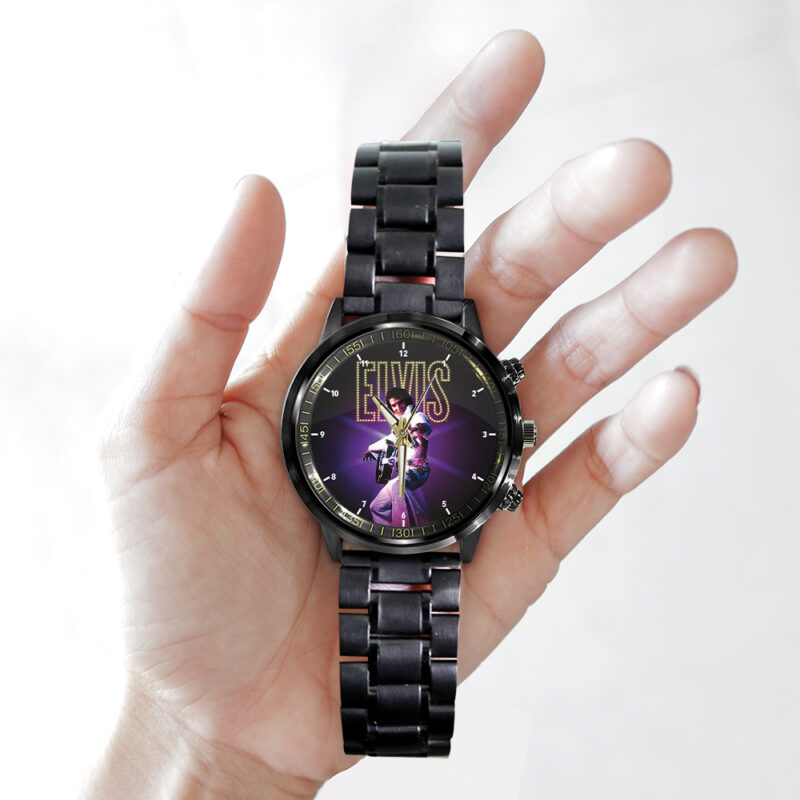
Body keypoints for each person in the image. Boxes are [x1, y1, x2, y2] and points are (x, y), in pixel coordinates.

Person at [82, 29, 737, 799]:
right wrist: (206, 745)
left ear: (511, 443)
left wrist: (212, 754)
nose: (398, 409)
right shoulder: (379, 432)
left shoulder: (413, 431)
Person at [361, 387, 432, 526]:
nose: (398, 407)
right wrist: (371, 449)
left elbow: (421, 430)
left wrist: (417, 430)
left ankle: (415, 527)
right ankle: (391, 532)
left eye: (400, 403)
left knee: (398, 488)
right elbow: (389, 439)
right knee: (376, 507)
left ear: (407, 402)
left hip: (418, 468)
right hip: (405, 472)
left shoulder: (418, 416)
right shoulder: (398, 426)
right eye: (394, 405)